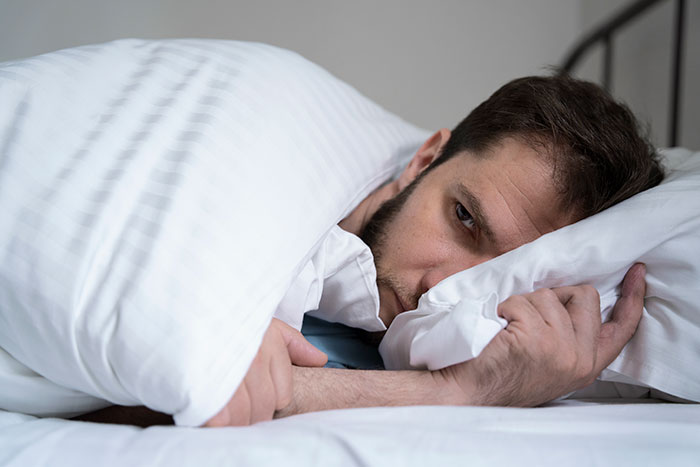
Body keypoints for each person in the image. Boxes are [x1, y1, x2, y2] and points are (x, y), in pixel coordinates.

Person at [77, 74, 664, 427]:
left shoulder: (433, 348)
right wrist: (456, 393)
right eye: (463, 219)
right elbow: (141, 389)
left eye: (500, 277)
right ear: (426, 159)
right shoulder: (267, 189)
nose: (443, 287)